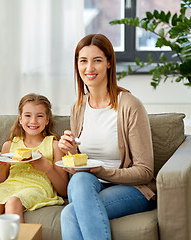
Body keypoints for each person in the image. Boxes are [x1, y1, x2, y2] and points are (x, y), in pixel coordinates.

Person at [58, 34, 156, 240]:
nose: (89, 68)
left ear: (109, 63)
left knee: (71, 212)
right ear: (77, 65)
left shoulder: (130, 106)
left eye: (97, 60)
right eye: (83, 61)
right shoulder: (78, 108)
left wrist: (104, 171)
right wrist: (70, 153)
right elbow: (80, 169)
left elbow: (145, 171)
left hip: (132, 189)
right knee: (80, 181)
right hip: (91, 185)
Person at [0, 93, 68, 223]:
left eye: (39, 116)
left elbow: (64, 190)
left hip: (38, 188)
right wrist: (3, 167)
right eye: (28, 115)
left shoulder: (54, 145)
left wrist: (46, 168)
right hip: (10, 187)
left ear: (47, 120)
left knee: (13, 202)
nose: (33, 121)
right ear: (20, 119)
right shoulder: (9, 145)